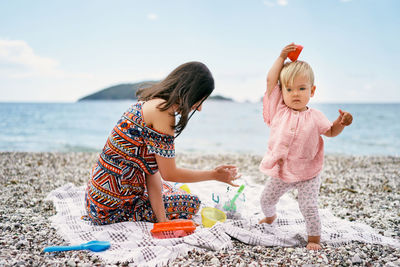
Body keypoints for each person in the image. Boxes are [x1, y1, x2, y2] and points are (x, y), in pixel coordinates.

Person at [84, 61, 239, 225]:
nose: (199, 108)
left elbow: (152, 171)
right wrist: (214, 175)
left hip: (97, 199)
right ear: (190, 92)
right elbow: (169, 173)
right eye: (200, 100)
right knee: (192, 203)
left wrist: (162, 220)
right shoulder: (164, 112)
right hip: (112, 208)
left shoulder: (149, 103)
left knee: (171, 189)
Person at [258, 43, 353, 250]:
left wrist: (341, 123)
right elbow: (270, 81)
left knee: (308, 206)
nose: (295, 94)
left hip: (309, 172)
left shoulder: (316, 117)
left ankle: (314, 239)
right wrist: (281, 57)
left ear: (312, 90)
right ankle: (270, 217)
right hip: (282, 170)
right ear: (281, 91)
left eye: (302, 88)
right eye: (289, 89)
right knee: (265, 199)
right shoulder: (278, 110)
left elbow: (330, 132)